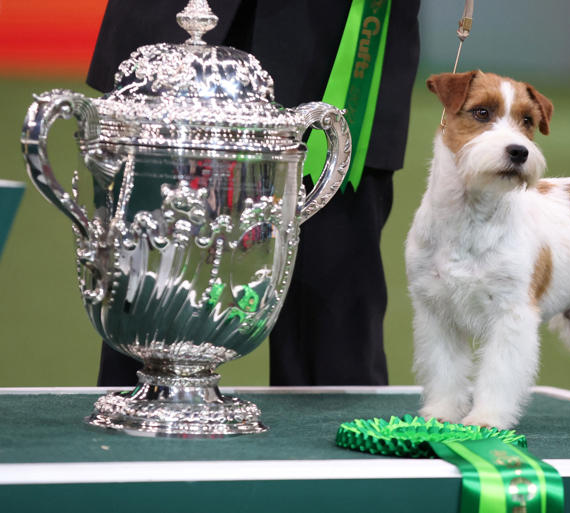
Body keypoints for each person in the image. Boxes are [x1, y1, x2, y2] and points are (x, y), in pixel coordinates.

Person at [87, 0, 421, 386]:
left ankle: (328, 444)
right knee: (146, 284)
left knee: (332, 309)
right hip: (173, 30)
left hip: (338, 41)